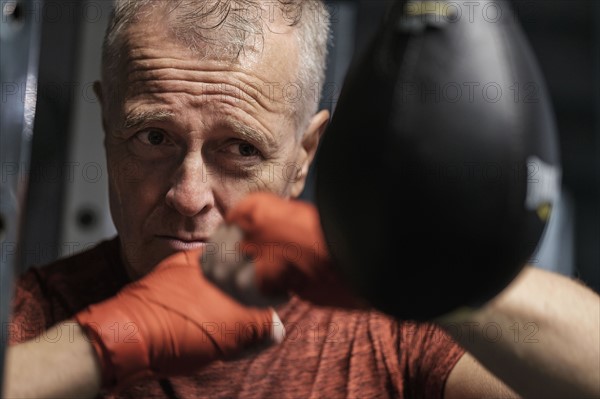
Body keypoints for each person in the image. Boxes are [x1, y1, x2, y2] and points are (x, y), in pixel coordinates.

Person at [2, 1, 599, 398]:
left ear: (306, 153)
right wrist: (103, 342)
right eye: (153, 137)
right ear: (106, 125)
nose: (188, 197)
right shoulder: (28, 321)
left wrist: (403, 274)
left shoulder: (389, 329)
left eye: (239, 149)